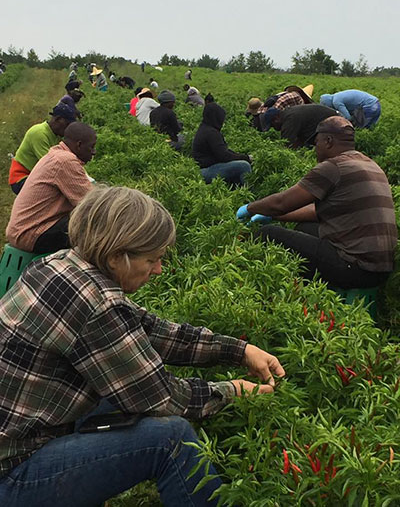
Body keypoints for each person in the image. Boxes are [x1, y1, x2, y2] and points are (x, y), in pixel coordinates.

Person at [0, 185, 285, 507]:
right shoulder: (97, 305)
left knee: (123, 399)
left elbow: (150, 330)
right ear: (116, 257)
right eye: (153, 259)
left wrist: (238, 350)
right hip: (13, 472)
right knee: (171, 439)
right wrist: (234, 391)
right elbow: (165, 398)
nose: (159, 270)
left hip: (22, 431)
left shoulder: (59, 264)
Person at [236, 117, 397, 289]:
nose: (315, 149)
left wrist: (250, 208)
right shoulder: (369, 164)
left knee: (267, 234)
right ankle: (308, 287)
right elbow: (315, 212)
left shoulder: (334, 167)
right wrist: (274, 215)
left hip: (354, 266)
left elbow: (281, 202)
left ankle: (282, 291)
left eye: (316, 142)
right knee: (305, 229)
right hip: (381, 270)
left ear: (328, 141)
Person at [6, 122, 96, 254]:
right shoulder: (65, 161)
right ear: (79, 145)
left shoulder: (56, 154)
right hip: (30, 234)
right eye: (91, 147)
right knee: (93, 221)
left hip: (22, 229)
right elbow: (92, 202)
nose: (94, 152)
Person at [8, 103, 76, 195]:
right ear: (58, 119)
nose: (68, 129)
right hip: (21, 177)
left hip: (35, 175)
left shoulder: (56, 135)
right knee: (56, 193)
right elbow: (51, 165)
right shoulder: (39, 133)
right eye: (67, 124)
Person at [192, 102, 252, 186]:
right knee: (244, 166)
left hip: (204, 168)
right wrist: (246, 158)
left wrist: (241, 156)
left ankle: (235, 188)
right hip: (206, 171)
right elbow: (224, 156)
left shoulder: (205, 128)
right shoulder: (211, 133)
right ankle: (250, 193)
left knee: (237, 165)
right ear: (216, 118)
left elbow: (224, 151)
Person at [262, 103, 339, 149]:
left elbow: (286, 144)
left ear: (276, 119)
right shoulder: (288, 113)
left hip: (333, 123)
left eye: (273, 125)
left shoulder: (290, 119)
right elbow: (298, 141)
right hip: (330, 119)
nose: (275, 129)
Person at [247, 85, 314, 132]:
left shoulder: (286, 93)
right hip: (272, 114)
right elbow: (300, 112)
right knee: (266, 131)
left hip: (263, 112)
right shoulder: (299, 98)